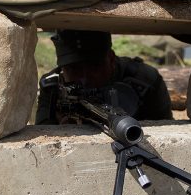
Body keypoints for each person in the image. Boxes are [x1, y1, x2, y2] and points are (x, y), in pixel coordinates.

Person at [35, 29, 173, 125]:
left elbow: (165, 130)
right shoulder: (52, 85)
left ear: (111, 59)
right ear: (61, 68)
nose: (85, 78)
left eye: (94, 66)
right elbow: (43, 130)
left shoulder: (144, 80)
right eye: (74, 69)